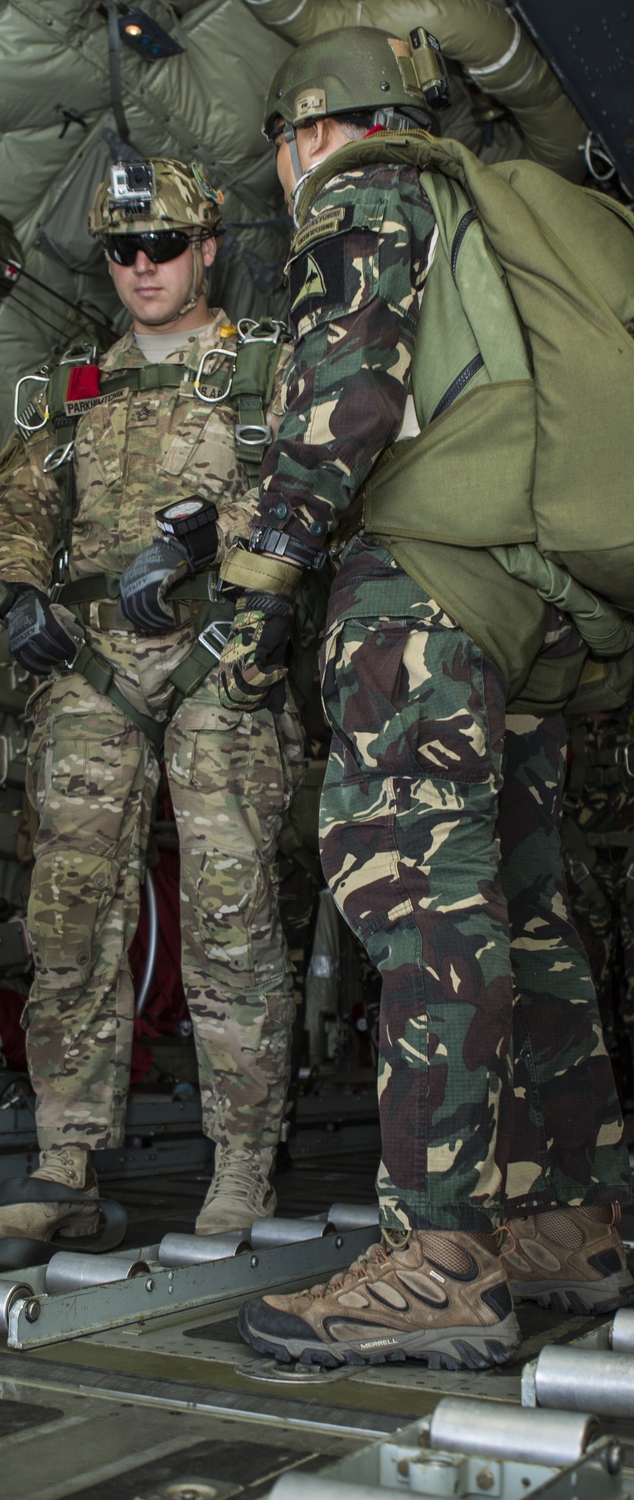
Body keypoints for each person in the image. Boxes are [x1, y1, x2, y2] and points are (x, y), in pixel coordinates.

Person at [219, 27, 632, 1370]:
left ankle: (440, 1254)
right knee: (523, 911)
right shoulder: (481, 202)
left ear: (308, 127)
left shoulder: (367, 184)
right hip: (523, 614)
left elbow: (347, 394)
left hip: (423, 603)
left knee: (422, 907)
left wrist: (254, 587)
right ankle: (571, 1221)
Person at [0, 157, 304, 1243]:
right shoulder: (74, 389)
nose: (143, 267)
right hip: (90, 670)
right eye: (123, 249)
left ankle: (242, 1160)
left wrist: (221, 543)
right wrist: (13, 590)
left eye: (164, 245)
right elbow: (12, 502)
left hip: (219, 661)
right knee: (65, 912)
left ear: (209, 248)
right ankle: (65, 1159)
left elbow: (318, 495)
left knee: (231, 911)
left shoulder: (264, 369)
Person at [561, 700, 634, 1100]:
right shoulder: (562, 729)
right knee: (589, 994)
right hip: (583, 872)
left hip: (628, 864)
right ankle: (605, 1106)